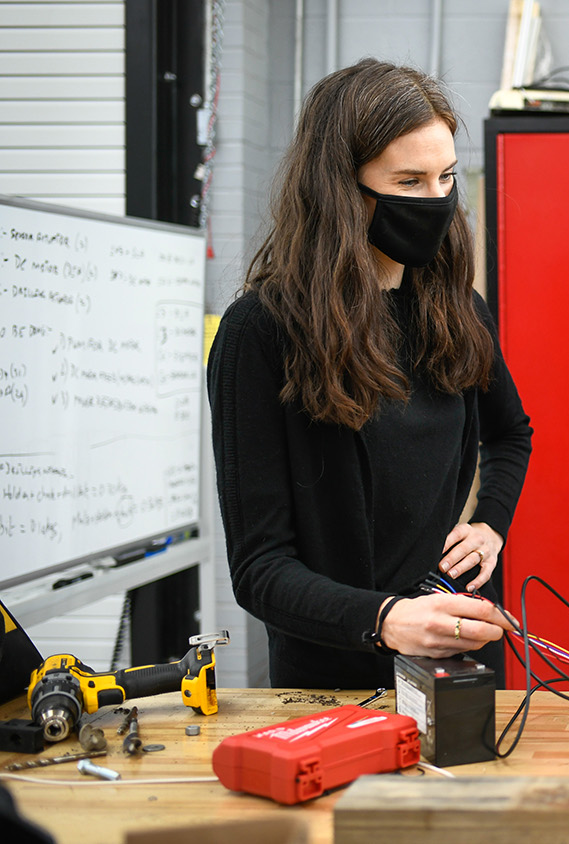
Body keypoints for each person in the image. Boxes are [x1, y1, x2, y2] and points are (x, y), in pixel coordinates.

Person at [208, 59, 532, 689]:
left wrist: (491, 525)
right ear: (340, 188)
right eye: (408, 182)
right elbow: (259, 569)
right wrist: (384, 619)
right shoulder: (260, 333)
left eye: (444, 179)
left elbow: (511, 432)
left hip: (452, 638)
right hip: (328, 669)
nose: (435, 202)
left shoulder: (459, 311)